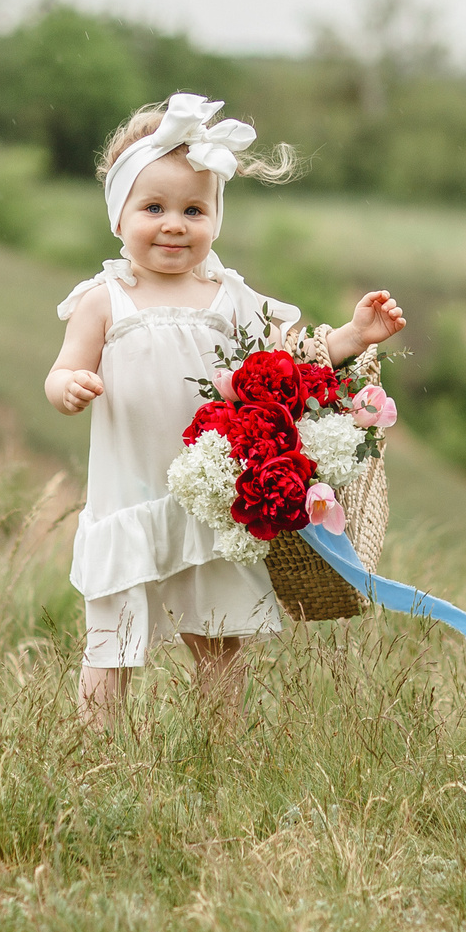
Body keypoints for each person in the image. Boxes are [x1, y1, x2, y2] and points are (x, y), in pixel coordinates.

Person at [45, 93, 408, 727]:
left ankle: (220, 750)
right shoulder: (104, 300)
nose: (174, 224)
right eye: (152, 208)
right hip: (127, 499)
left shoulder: (229, 298)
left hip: (210, 499)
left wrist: (353, 337)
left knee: (218, 640)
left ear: (215, 216)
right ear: (119, 214)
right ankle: (93, 757)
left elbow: (295, 358)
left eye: (194, 209)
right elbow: (61, 369)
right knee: (111, 645)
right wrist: (70, 385)